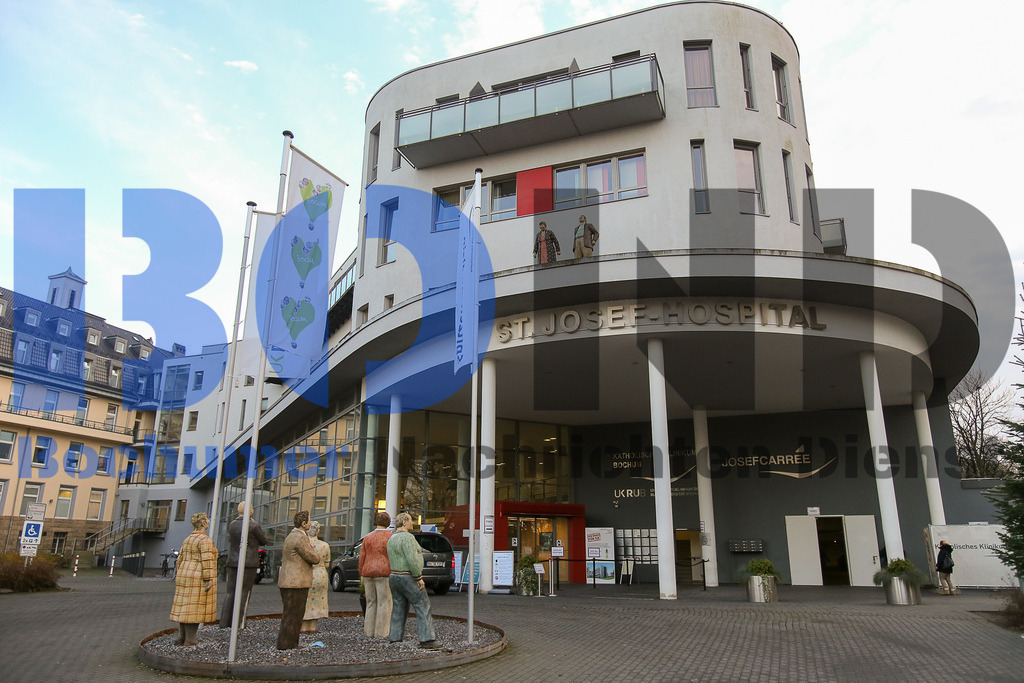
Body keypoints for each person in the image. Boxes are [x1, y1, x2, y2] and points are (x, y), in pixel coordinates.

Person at [387, 512, 440, 649]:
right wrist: (418, 577)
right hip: (408, 577)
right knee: (423, 606)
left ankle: (395, 637)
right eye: (410, 520)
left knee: (398, 607)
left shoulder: (391, 538)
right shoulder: (408, 538)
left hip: (394, 576)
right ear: (404, 522)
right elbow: (412, 559)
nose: (412, 523)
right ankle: (427, 639)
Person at [169, 513, 217, 646]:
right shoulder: (205, 540)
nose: (208, 522)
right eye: (207, 520)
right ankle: (190, 639)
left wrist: (180, 574)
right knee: (195, 609)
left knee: (185, 607)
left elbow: (180, 559)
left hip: (184, 574)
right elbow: (207, 560)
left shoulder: (188, 539)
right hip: (197, 576)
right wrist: (209, 578)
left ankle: (182, 637)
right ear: (202, 523)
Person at [277, 511, 322, 649]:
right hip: (296, 582)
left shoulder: (290, 536)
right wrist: (317, 556)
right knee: (294, 615)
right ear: (303, 523)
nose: (309, 523)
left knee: (289, 613)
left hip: (287, 580)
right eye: (308, 520)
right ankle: (288, 643)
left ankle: (287, 642)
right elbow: (313, 557)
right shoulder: (300, 538)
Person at [220, 502, 268, 628]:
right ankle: (239, 622)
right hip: (248, 561)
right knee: (245, 591)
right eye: (252, 507)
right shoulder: (253, 525)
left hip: (233, 560)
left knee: (230, 592)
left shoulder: (232, 524)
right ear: (249, 511)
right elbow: (264, 540)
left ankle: (224, 622)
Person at [359, 511, 393, 638]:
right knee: (384, 602)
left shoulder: (367, 537)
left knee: (371, 602)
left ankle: (368, 631)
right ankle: (382, 632)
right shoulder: (390, 536)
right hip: (383, 572)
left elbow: (362, 556)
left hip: (367, 572)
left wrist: (361, 572)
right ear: (388, 522)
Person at [301, 520, 332, 633]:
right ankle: (312, 627)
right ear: (318, 531)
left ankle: (303, 627)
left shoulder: (303, 544)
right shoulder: (325, 546)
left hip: (306, 573)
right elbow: (327, 563)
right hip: (320, 574)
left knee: (305, 600)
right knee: (318, 601)